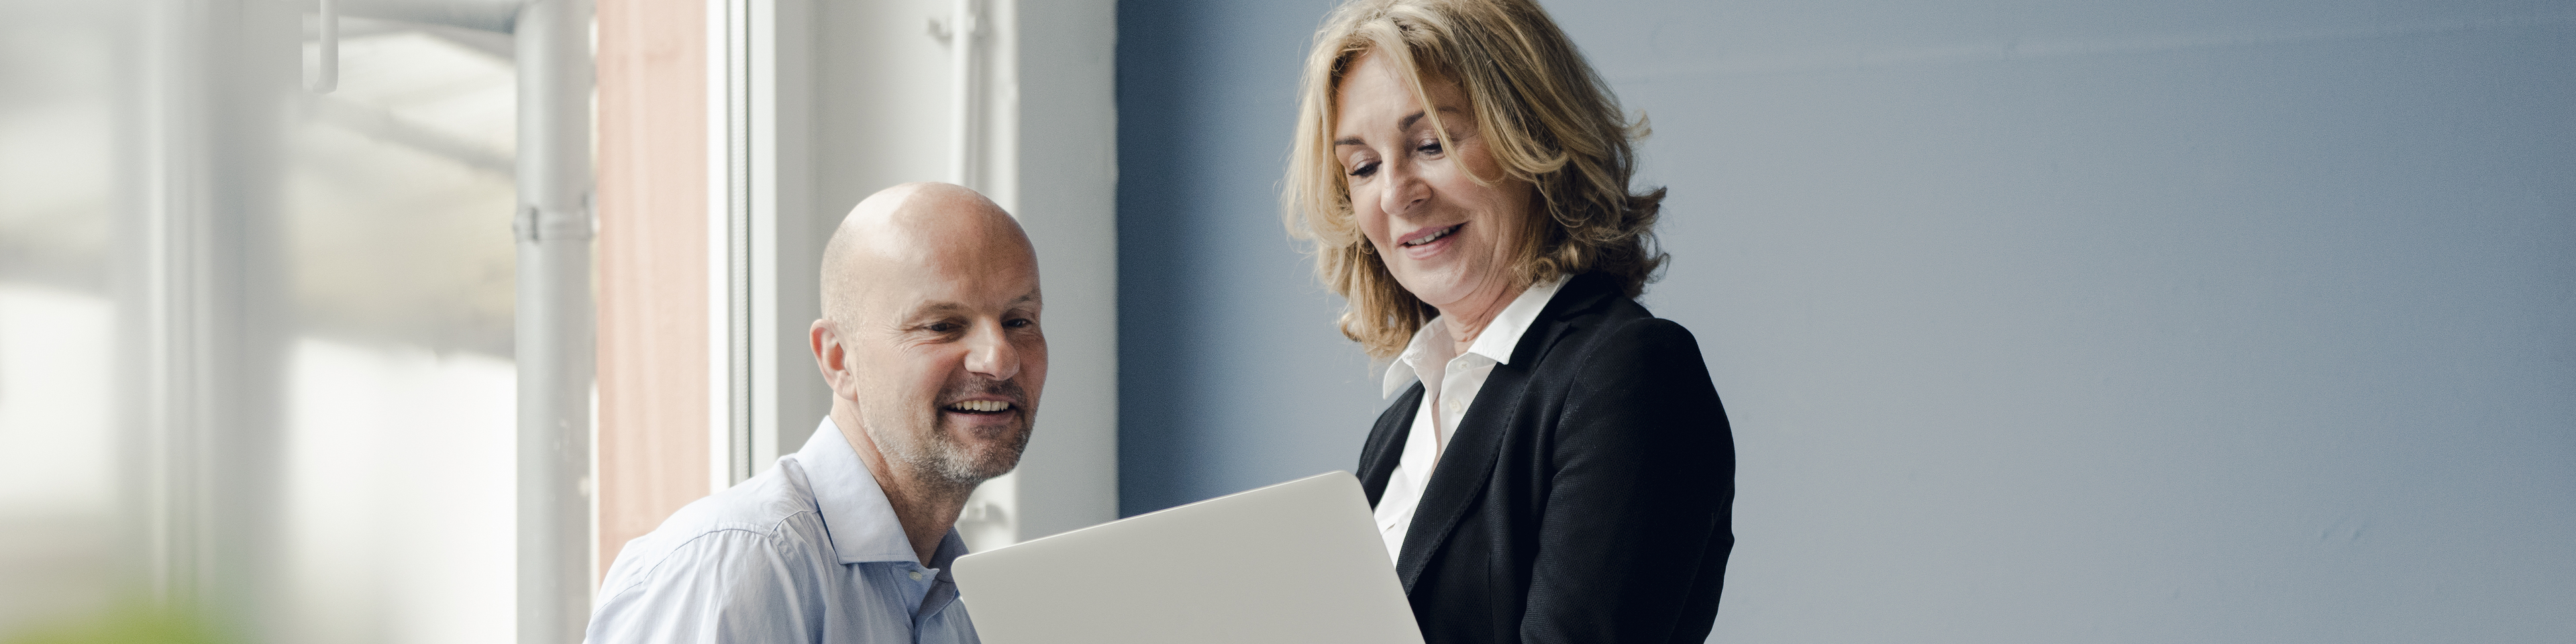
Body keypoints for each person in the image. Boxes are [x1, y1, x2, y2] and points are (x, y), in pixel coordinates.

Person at [1281, 1, 1735, 642]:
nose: (1395, 194)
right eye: (1363, 167)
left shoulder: (1630, 375)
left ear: (1535, 138)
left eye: (1430, 144)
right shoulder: (1399, 426)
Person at [586, 182, 1045, 644]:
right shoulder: (739, 566)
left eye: (1018, 321)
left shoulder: (953, 607)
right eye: (942, 326)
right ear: (838, 359)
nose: (1000, 358)